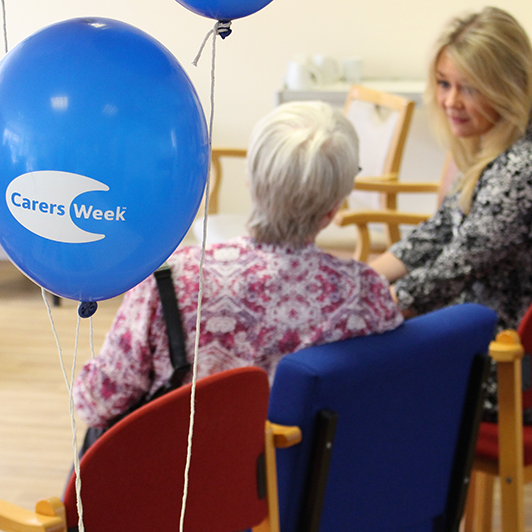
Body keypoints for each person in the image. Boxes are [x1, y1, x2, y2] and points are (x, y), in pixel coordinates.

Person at [74, 101, 403, 429]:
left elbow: (97, 404)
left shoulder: (171, 279)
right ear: (334, 208)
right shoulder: (366, 294)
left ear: (249, 180)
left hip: (183, 475)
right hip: (302, 477)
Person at [369, 7, 532, 419]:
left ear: (508, 88)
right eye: (444, 84)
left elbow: (447, 273)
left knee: (358, 378)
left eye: (469, 89)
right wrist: (362, 281)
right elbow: (434, 236)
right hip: (476, 335)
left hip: (505, 364)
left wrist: (358, 308)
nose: (449, 101)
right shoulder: (490, 150)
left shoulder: (520, 168)